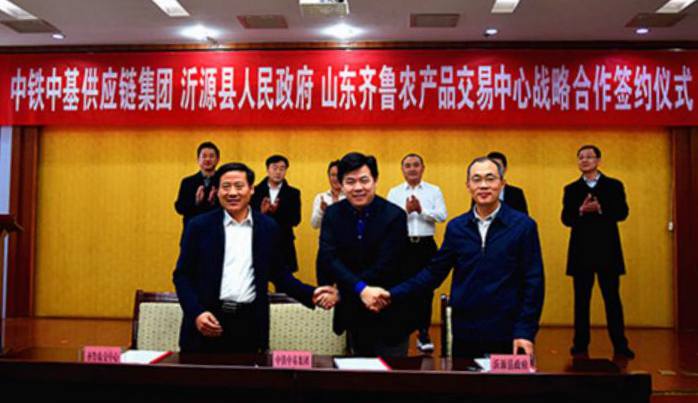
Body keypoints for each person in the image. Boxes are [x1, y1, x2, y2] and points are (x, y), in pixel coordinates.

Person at [367, 157, 544, 358]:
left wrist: (525, 331)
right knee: (465, 378)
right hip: (466, 332)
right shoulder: (457, 228)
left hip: (508, 332)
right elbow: (433, 273)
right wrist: (391, 294)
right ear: (468, 185)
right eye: (476, 179)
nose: (483, 185)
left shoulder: (523, 226)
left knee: (506, 379)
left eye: (490, 178)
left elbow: (534, 282)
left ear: (502, 183)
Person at [173, 162, 338, 353]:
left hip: (249, 325)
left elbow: (280, 276)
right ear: (217, 191)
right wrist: (196, 313)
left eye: (239, 186)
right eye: (226, 186)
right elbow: (182, 276)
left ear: (251, 189)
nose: (232, 192)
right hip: (206, 322)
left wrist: (312, 294)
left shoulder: (268, 227)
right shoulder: (198, 226)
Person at [317, 152, 415, 357]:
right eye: (350, 182)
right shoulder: (333, 214)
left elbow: (387, 265)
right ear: (341, 184)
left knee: (390, 372)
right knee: (354, 372)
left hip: (387, 311)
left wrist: (347, 291)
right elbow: (329, 257)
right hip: (352, 315)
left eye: (364, 180)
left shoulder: (395, 216)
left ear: (375, 180)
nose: (358, 187)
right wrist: (359, 289)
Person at [562, 145, 634, 359]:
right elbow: (566, 219)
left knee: (612, 299)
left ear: (598, 160)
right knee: (581, 301)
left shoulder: (613, 185)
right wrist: (581, 210)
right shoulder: (571, 189)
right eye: (580, 157)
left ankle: (620, 345)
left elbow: (622, 213)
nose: (584, 160)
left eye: (589, 157)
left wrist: (601, 208)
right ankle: (580, 344)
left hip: (607, 251)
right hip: (581, 252)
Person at [387, 153, 447, 353]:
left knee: (425, 290)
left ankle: (423, 333)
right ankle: (402, 331)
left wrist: (421, 211)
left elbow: (442, 215)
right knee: (401, 289)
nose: (412, 169)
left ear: (423, 168)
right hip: (402, 246)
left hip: (425, 246)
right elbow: (388, 220)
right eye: (408, 165)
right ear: (402, 169)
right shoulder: (394, 192)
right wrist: (405, 211)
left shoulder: (433, 190)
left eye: (416, 165)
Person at [251, 155, 302, 272]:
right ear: (267, 169)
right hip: (260, 241)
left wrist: (278, 212)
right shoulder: (255, 191)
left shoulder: (293, 193)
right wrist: (262, 213)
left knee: (285, 279)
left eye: (282, 168)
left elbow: (296, 220)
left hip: (284, 242)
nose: (278, 172)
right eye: (274, 168)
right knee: (259, 277)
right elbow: (248, 217)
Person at [174, 141, 221, 230]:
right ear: (198, 159)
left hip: (217, 231)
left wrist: (215, 202)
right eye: (204, 156)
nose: (208, 159)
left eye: (211, 156)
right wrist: (196, 202)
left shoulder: (223, 182)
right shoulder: (188, 182)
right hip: (193, 231)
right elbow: (180, 208)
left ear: (218, 159)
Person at [310, 160, 345, 230]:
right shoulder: (321, 197)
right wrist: (321, 211)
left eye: (339, 175)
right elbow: (314, 225)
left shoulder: (351, 196)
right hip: (327, 236)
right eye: (333, 175)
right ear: (329, 177)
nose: (336, 178)